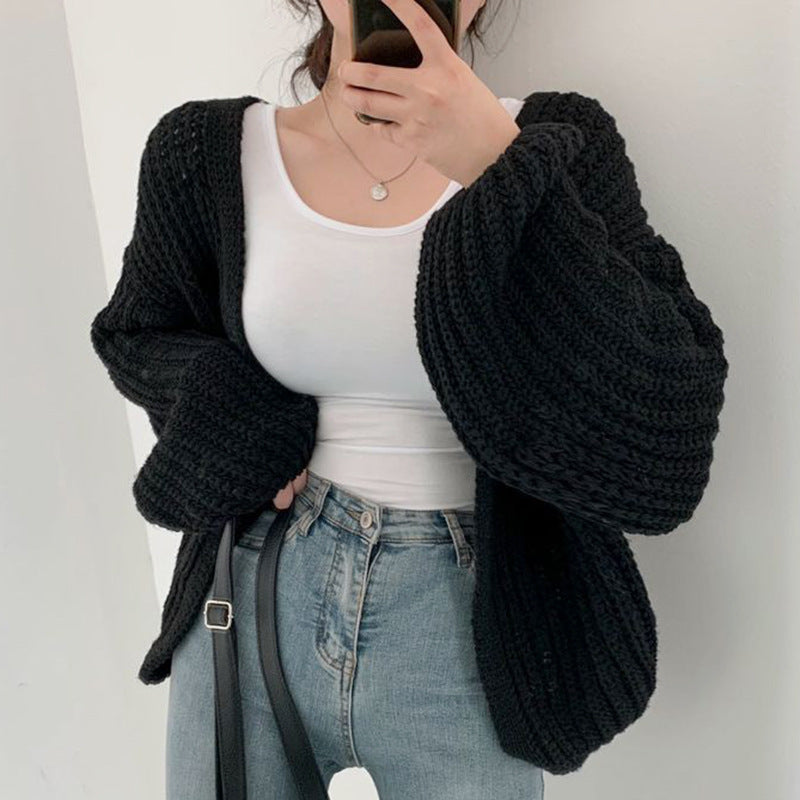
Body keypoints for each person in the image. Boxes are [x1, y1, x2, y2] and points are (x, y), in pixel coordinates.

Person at [89, 0, 729, 796]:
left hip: (470, 619)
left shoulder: (557, 146)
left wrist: (499, 167)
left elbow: (669, 419)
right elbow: (138, 333)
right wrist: (239, 419)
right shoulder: (206, 149)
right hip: (255, 584)